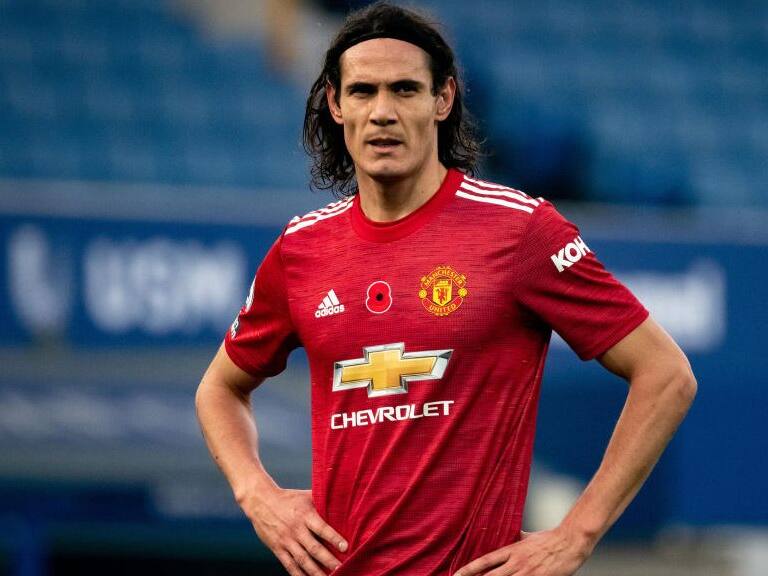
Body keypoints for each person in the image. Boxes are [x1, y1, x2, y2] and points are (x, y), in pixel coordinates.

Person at [195, 2, 697, 575]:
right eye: (363, 92)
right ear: (336, 105)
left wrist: (576, 535)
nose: (382, 112)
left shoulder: (520, 231)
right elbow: (218, 390)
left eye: (405, 89)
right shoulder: (301, 249)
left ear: (443, 99)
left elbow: (666, 375)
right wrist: (259, 496)